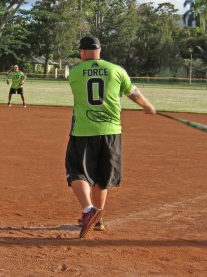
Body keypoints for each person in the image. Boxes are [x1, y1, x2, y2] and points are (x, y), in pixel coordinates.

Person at [65, 35, 155, 239]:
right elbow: (133, 93)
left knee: (76, 171)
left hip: (83, 131)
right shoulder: (117, 70)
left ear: (82, 52)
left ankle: (89, 210)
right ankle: (98, 220)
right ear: (100, 50)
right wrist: (147, 106)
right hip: (111, 132)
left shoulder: (75, 72)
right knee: (102, 177)